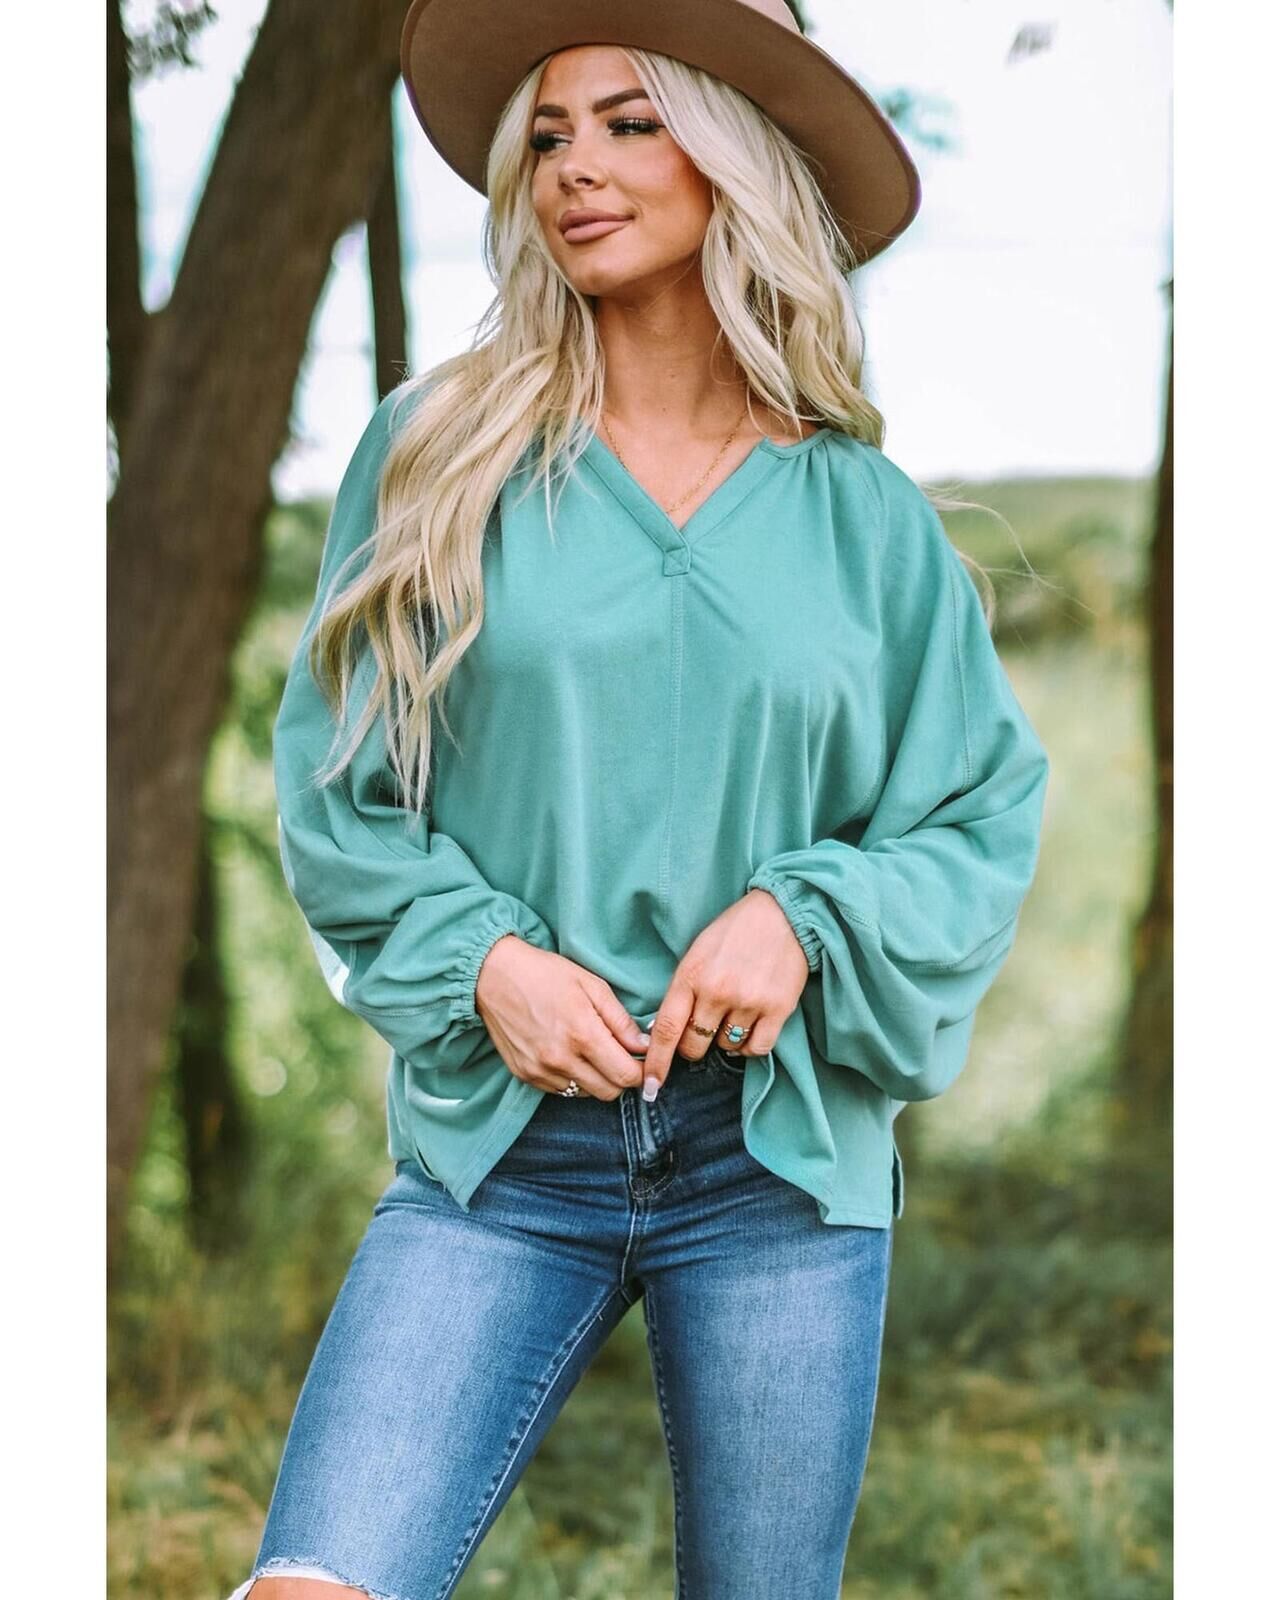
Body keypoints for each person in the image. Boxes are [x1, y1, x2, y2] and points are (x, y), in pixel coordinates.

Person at [229, 2, 1050, 1597]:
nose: (573, 169)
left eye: (628, 122)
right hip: (499, 1155)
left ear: (732, 155)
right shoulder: (435, 460)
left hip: (777, 1163)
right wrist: (483, 961)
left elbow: (974, 817)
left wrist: (804, 918)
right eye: (547, 135)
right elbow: (338, 791)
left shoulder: (863, 518)